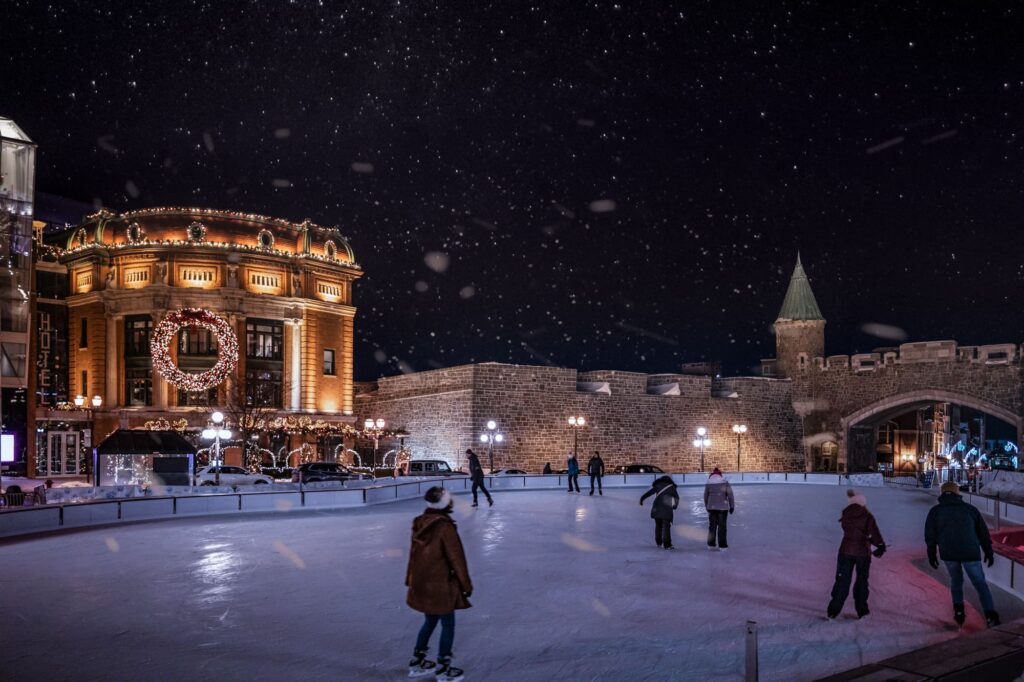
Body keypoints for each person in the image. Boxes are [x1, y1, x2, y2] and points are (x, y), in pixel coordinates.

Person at [406, 487, 471, 681]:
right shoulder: (444, 527)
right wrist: (466, 585)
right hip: (441, 584)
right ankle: (443, 668)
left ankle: (417, 662)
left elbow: (414, 556)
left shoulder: (419, 522)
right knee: (448, 624)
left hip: (423, 582)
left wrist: (409, 580)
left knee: (430, 620)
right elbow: (456, 558)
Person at [925, 480, 1000, 628]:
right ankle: (990, 614)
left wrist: (931, 553)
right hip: (970, 552)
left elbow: (930, 535)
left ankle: (959, 611)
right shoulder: (970, 509)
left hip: (949, 552)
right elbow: (983, 533)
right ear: (957, 493)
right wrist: (988, 551)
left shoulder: (936, 511)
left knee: (956, 580)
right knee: (980, 583)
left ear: (942, 493)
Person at [827, 489, 885, 620]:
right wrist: (880, 545)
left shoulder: (845, 514)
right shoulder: (867, 516)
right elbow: (873, 532)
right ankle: (862, 611)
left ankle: (833, 611)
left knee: (842, 581)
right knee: (861, 582)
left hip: (845, 551)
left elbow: (851, 530)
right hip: (862, 553)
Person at [640, 475, 679, 549]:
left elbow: (648, 493)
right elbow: (676, 498)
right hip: (666, 509)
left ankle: (659, 542)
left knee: (658, 526)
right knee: (666, 527)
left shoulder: (658, 486)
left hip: (656, 508)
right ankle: (667, 544)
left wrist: (642, 499)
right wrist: (674, 506)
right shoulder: (672, 487)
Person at [703, 467, 735, 550]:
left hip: (712, 508)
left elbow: (705, 497)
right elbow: (730, 496)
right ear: (720, 475)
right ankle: (722, 546)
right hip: (722, 508)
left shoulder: (708, 483)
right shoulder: (725, 483)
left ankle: (711, 544)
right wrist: (732, 506)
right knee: (722, 527)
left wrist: (707, 506)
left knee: (712, 527)